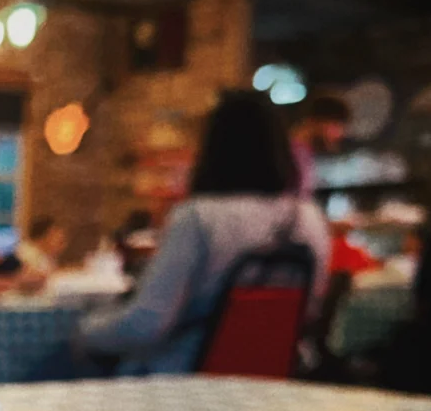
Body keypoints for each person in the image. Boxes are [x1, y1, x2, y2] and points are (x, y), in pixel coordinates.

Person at [77, 90, 330, 374]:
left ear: (214, 148)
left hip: (189, 386)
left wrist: (83, 331)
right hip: (272, 381)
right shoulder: (309, 218)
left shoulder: (198, 217)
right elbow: (309, 313)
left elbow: (147, 324)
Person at [0, 216, 66, 299]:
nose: (62, 244)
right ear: (45, 236)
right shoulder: (26, 253)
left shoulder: (46, 257)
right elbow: (23, 278)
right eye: (58, 238)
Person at [289, 91, 350, 200]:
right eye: (337, 125)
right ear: (315, 121)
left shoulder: (304, 152)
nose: (340, 134)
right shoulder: (290, 153)